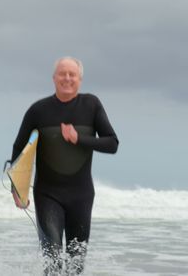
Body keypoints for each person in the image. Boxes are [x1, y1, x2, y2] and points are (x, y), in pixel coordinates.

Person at [10, 57, 118, 274]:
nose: (67, 78)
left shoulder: (91, 105)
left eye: (72, 74)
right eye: (62, 74)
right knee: (52, 260)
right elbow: (19, 148)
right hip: (48, 195)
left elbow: (112, 143)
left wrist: (80, 139)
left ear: (80, 79)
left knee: (76, 263)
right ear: (54, 78)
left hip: (81, 195)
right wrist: (17, 189)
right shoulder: (38, 111)